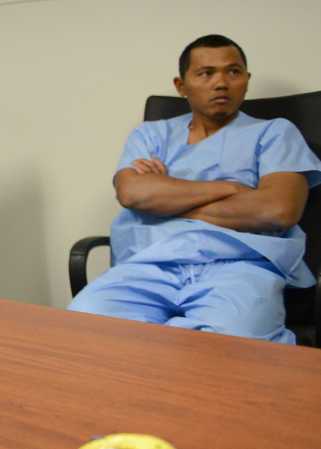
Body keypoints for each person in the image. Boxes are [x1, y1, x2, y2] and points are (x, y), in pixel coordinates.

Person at [67, 34, 321, 343]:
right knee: (86, 322)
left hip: (238, 267)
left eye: (234, 71)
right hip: (147, 264)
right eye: (206, 73)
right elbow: (133, 194)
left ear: (247, 79)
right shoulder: (151, 135)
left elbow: (279, 210)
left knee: (231, 344)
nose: (222, 83)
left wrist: (166, 198)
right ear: (181, 85)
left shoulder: (275, 133)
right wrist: (232, 188)